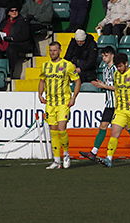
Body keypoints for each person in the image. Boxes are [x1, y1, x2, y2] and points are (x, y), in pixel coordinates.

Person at [79, 46, 130, 161]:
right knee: (103, 126)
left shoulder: (117, 69)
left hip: (119, 104)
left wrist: (104, 86)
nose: (103, 58)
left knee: (129, 127)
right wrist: (102, 84)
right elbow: (110, 85)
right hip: (109, 103)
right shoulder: (105, 69)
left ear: (112, 55)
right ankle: (93, 152)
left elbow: (119, 88)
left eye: (106, 55)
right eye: (103, 55)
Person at [97, 53, 130, 168]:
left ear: (126, 63)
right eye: (117, 66)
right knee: (114, 133)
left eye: (121, 66)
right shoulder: (116, 74)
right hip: (120, 110)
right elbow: (117, 89)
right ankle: (109, 158)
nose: (119, 69)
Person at [38, 41, 81, 169]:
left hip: (63, 102)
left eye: (55, 50)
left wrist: (73, 97)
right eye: (50, 51)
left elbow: (78, 81)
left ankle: (66, 154)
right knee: (53, 132)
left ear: (60, 50)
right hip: (50, 103)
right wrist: (40, 94)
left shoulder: (67, 65)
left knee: (62, 130)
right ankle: (57, 161)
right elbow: (42, 81)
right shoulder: (45, 66)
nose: (52, 53)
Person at [0, 6, 32, 78]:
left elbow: (25, 35)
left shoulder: (22, 21)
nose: (14, 12)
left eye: (16, 10)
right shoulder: (4, 22)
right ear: (8, 13)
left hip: (18, 43)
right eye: (12, 11)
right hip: (4, 42)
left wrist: (12, 39)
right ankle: (1, 69)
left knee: (11, 49)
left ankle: (10, 71)